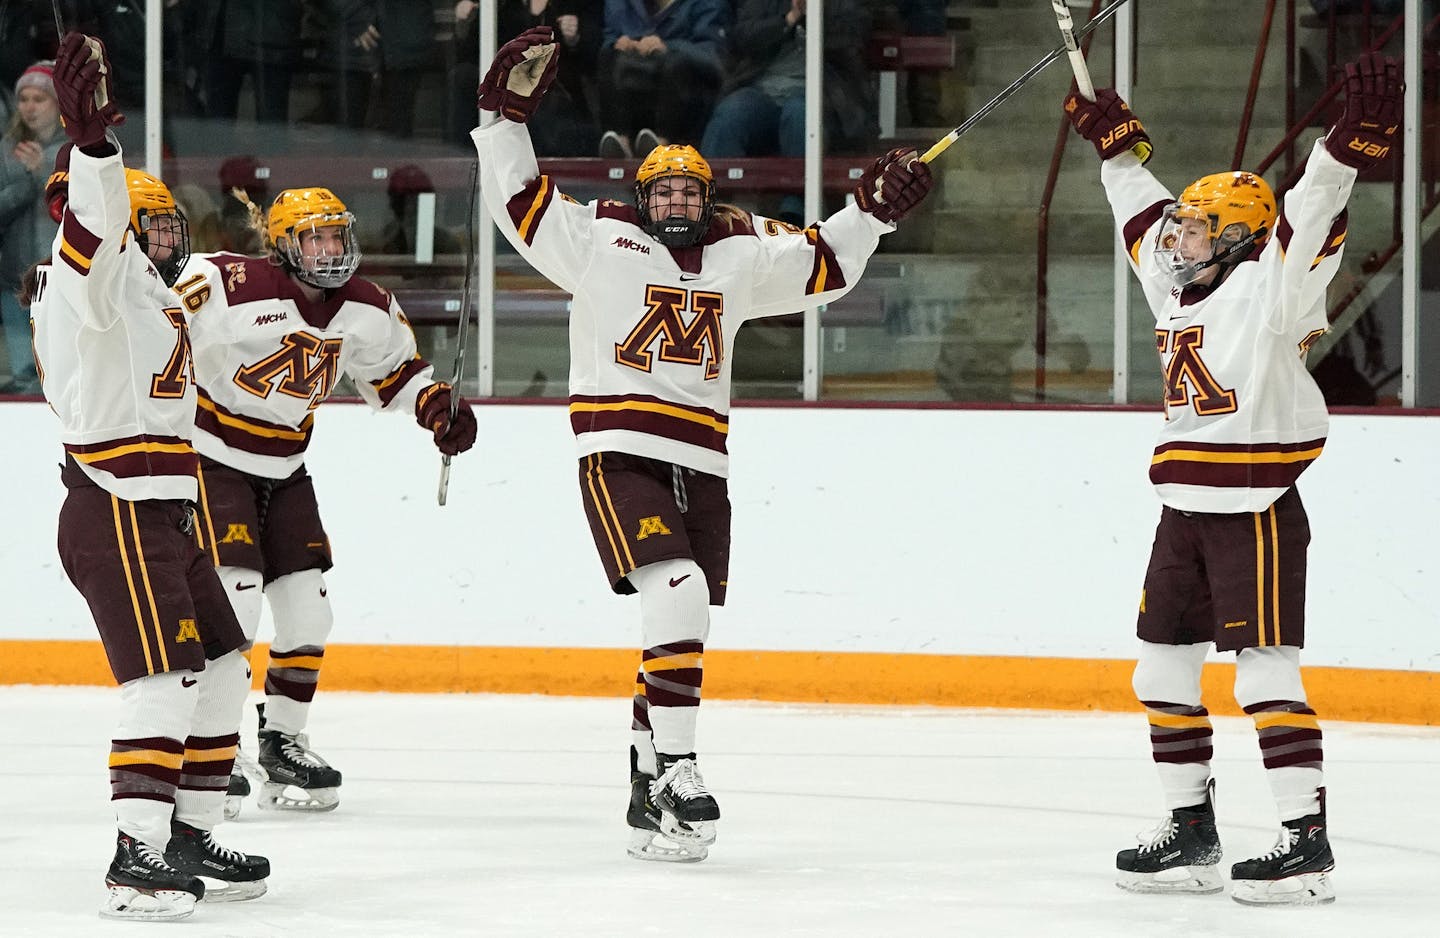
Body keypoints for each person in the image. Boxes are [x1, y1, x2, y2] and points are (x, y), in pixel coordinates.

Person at [472, 26, 932, 861]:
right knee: (677, 591)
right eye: (665, 192)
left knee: (678, 619)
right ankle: (680, 765)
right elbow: (519, 202)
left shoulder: (739, 250)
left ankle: (648, 785)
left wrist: (871, 213)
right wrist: (504, 120)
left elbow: (826, 264)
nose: (678, 203)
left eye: (691, 191)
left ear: (707, 196)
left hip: (704, 462)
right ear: (641, 197)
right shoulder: (599, 238)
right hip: (617, 447)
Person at [1063, 52, 1402, 905]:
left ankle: (1304, 844)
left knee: (1263, 674)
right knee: (1160, 673)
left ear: (1243, 238)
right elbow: (1138, 215)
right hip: (1180, 511)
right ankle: (1189, 832)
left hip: (1253, 510)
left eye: (1198, 230)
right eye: (1183, 229)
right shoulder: (1177, 288)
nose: (1179, 240)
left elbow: (1311, 210)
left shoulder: (1272, 290)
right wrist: (1116, 153)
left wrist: (1344, 150)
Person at [25, 32, 270, 921]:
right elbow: (93, 229)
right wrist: (93, 152)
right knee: (161, 678)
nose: (161, 231)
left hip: (164, 507)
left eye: (165, 217)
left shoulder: (154, 292)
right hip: (114, 504)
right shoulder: (84, 272)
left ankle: (190, 829)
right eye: (144, 216)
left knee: (225, 664)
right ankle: (137, 855)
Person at [170, 181, 479, 816]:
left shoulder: (366, 305)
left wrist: (437, 406)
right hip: (214, 462)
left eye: (338, 235)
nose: (330, 249)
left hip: (286, 469)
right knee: (235, 608)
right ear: (283, 246)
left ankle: (282, 739)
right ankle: (207, 748)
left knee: (310, 616)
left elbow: (397, 372)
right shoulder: (224, 282)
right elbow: (160, 335)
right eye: (315, 237)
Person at [700, 0, 875, 223]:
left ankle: (797, 212)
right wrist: (789, 18)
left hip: (824, 95)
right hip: (762, 93)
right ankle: (711, 210)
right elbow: (744, 37)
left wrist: (815, 16)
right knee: (731, 114)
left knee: (800, 114)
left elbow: (854, 36)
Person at [596, 0, 728, 157]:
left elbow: (714, 57)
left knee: (675, 63)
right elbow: (609, 36)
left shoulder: (708, 4)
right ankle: (620, 142)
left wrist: (667, 46)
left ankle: (662, 143)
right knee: (609, 56)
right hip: (636, 77)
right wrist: (620, 43)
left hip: (684, 87)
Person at [0, 60, 62, 393]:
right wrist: (27, 182)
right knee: (25, 375)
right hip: (13, 279)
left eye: (39, 99)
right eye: (24, 99)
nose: (29, 107)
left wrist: (44, 172)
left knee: (57, 371)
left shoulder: (75, 151)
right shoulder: (5, 151)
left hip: (60, 280)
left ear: (57, 104)